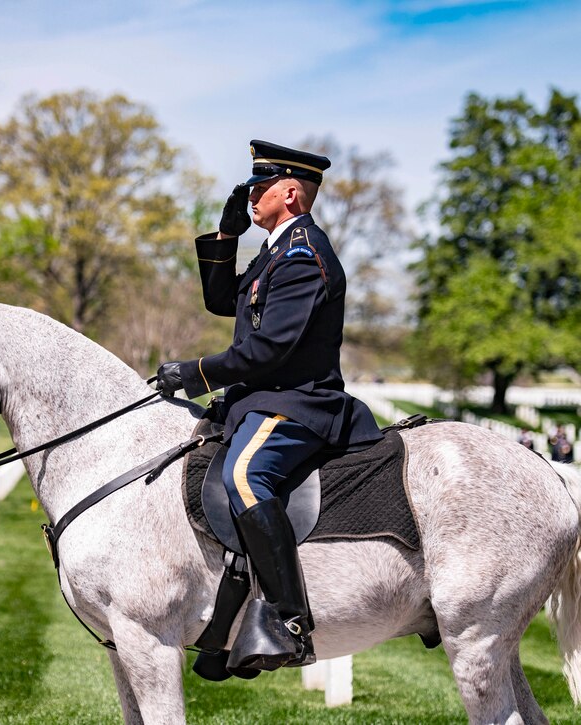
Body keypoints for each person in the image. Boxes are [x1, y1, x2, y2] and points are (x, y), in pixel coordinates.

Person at [155, 140, 382, 672]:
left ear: (290, 192)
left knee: (242, 476)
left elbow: (270, 348)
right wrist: (227, 234)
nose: (251, 195)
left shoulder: (304, 254)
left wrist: (195, 373)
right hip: (262, 399)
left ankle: (289, 623)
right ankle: (226, 619)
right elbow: (221, 301)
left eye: (260, 188)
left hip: (298, 403)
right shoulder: (277, 249)